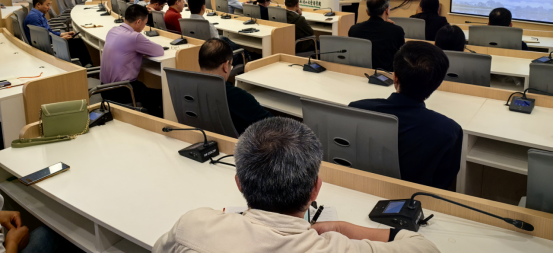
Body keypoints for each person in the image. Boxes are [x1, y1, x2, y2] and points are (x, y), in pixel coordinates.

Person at [153, 117, 440, 253]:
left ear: (239, 183)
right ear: (316, 189)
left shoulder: (194, 225)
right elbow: (425, 248)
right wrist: (344, 228)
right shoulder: (339, 248)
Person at [350, 41, 462, 190]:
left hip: (359, 189)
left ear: (395, 77)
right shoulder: (450, 131)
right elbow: (443, 184)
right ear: (437, 84)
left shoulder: (357, 109)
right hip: (416, 200)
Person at [100, 5, 164, 117]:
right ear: (138, 22)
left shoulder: (112, 31)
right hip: (122, 90)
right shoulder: (134, 37)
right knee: (162, 95)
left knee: (145, 89)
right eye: (145, 24)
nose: (143, 27)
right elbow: (159, 51)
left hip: (104, 89)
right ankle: (157, 123)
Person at [197, 39, 271, 134]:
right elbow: (272, 124)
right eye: (231, 65)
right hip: (237, 142)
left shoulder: (187, 87)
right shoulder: (238, 97)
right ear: (225, 66)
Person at [24, 0, 93, 67]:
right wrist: (61, 39)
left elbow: (48, 32)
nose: (49, 8)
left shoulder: (39, 15)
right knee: (77, 44)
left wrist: (62, 34)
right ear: (38, 5)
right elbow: (42, 40)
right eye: (47, 5)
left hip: (48, 43)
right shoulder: (34, 18)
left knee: (78, 41)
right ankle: (87, 67)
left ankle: (87, 66)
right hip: (46, 49)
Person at [348, 0, 405, 72]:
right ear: (387, 10)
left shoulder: (354, 29)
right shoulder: (397, 31)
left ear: (367, 12)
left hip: (359, 73)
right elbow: (401, 57)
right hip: (386, 75)